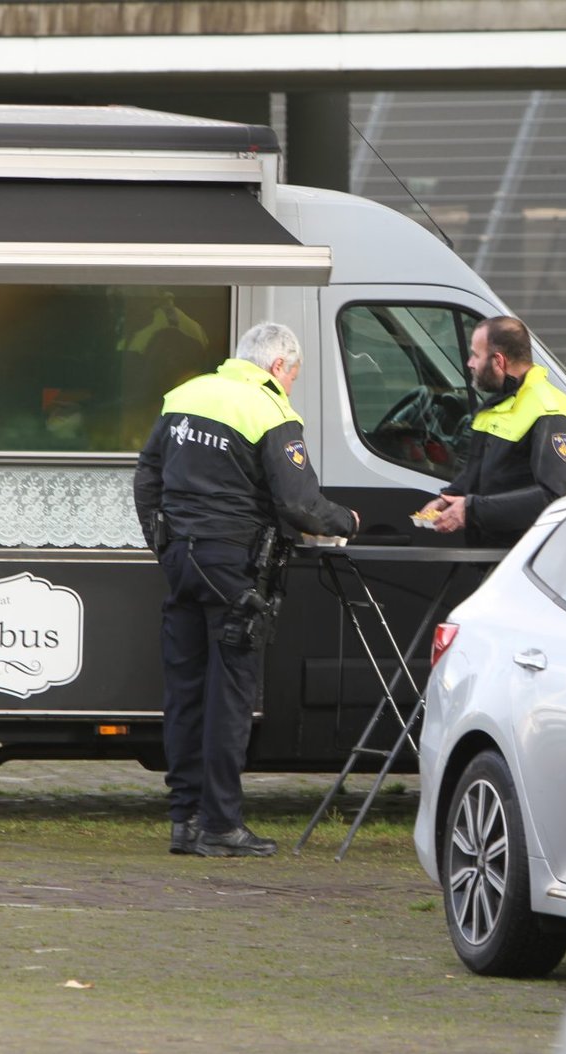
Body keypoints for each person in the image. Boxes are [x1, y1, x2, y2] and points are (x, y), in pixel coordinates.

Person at [133, 322, 357, 858]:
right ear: (278, 366)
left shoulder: (183, 396)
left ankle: (184, 821)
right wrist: (346, 518)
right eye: (293, 377)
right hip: (235, 570)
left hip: (183, 562)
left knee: (184, 693)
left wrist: (163, 545)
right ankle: (221, 826)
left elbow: (147, 478)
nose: (290, 388)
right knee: (229, 697)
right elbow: (300, 505)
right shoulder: (270, 411)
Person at [422, 315, 566, 547]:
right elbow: (484, 472)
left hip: (529, 559)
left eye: (476, 355)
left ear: (498, 361)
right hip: (494, 555)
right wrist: (448, 497)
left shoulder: (550, 410)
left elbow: (557, 496)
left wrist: (472, 510)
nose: (469, 363)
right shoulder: (500, 404)